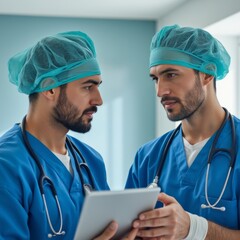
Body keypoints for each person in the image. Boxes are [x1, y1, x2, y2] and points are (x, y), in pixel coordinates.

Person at [0, 31, 137, 239]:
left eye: (98, 87)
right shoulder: (7, 165)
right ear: (50, 89)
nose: (99, 100)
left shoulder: (90, 160)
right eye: (88, 87)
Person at [125, 25, 240, 239]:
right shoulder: (148, 157)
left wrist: (194, 228)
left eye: (171, 74)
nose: (161, 91)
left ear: (207, 74)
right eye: (155, 78)